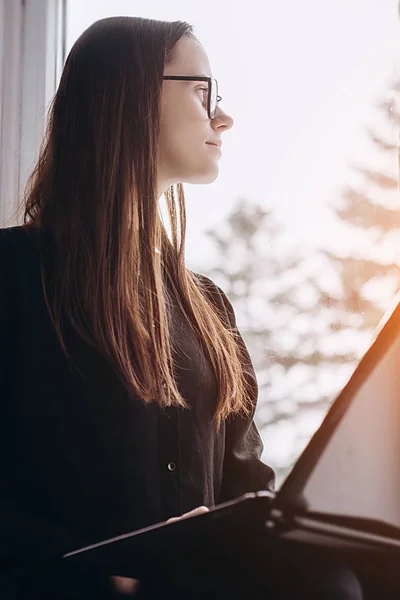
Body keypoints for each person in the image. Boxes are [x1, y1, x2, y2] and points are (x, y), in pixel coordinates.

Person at [0, 16, 362, 600]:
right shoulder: (13, 277)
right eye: (202, 92)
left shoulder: (210, 310)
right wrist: (108, 582)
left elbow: (250, 491)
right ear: (130, 98)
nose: (223, 116)